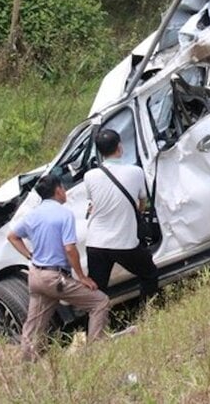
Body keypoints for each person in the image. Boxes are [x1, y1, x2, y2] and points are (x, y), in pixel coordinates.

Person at [7, 174, 110, 361]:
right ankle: (96, 351)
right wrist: (82, 277)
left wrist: (29, 255)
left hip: (36, 275)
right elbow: (70, 249)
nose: (65, 192)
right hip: (55, 278)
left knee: (34, 327)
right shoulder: (64, 214)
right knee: (99, 302)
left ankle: (26, 366)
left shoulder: (32, 215)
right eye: (63, 188)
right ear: (58, 190)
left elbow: (12, 236)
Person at [83, 129, 158, 303]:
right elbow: (143, 202)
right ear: (119, 147)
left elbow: (93, 203)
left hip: (96, 243)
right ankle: (148, 313)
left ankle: (95, 326)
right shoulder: (136, 172)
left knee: (97, 290)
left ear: (100, 152)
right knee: (149, 274)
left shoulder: (89, 176)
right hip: (124, 242)